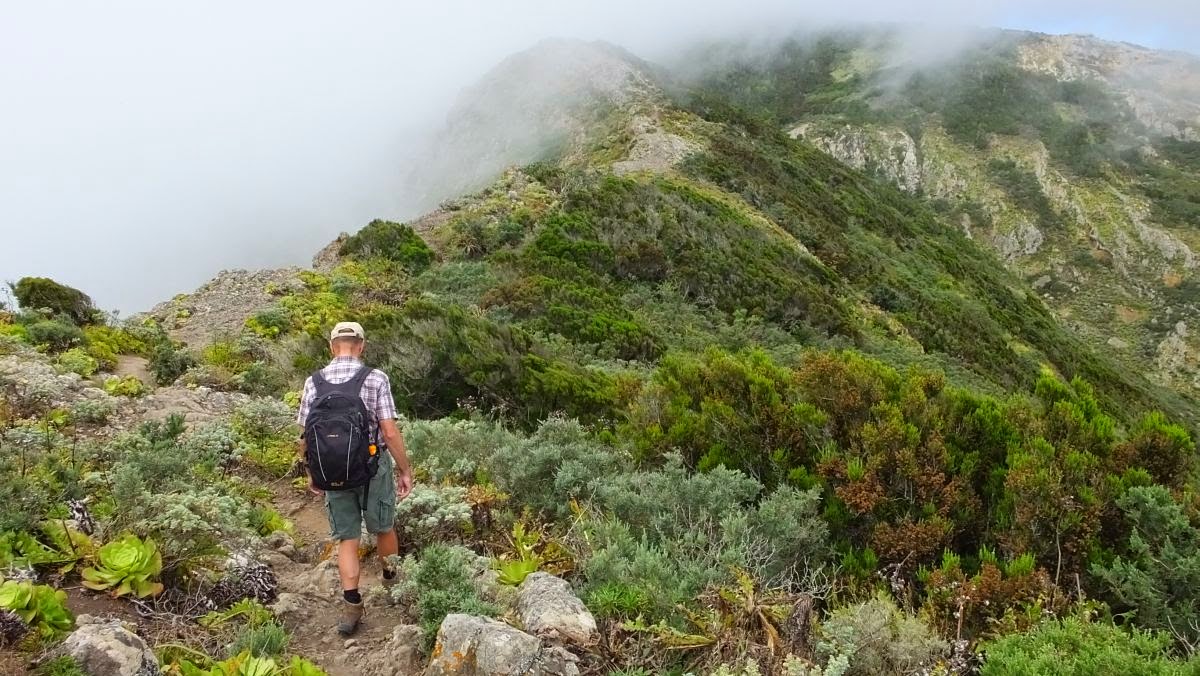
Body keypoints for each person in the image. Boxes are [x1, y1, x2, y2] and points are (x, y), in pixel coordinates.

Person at [297, 321, 413, 636]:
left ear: (332, 347)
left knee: (347, 538)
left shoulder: (313, 382)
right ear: (361, 345)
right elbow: (388, 431)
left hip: (333, 472)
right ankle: (392, 585)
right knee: (383, 526)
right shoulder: (375, 378)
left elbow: (305, 434)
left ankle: (352, 606)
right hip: (374, 467)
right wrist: (405, 469)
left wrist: (312, 471)